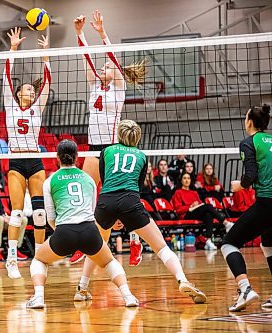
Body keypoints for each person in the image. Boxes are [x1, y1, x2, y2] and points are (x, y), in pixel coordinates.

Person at [93, 119, 207, 304]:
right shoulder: (142, 156)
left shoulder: (106, 151)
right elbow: (137, 188)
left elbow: (105, 181)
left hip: (107, 202)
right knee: (161, 248)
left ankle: (81, 288)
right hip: (131, 201)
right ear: (137, 137)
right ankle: (182, 280)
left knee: (97, 245)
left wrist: (116, 215)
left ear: (119, 134)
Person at [72, 10, 146, 273]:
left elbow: (111, 57)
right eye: (101, 68)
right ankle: (83, 242)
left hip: (114, 149)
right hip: (94, 148)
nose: (103, 68)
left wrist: (102, 33)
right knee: (86, 195)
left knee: (124, 198)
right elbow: (86, 59)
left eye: (107, 67)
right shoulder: (94, 86)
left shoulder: (119, 89)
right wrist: (80, 33)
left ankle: (135, 240)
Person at [26, 140, 138, 309]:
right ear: (77, 157)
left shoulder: (50, 181)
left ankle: (39, 298)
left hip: (64, 232)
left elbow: (50, 216)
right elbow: (92, 211)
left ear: (57, 158)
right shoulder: (89, 179)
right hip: (89, 230)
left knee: (39, 260)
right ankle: (128, 296)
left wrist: (62, 233)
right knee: (109, 262)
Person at [3, 27, 51, 279]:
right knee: (17, 211)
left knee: (40, 212)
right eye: (27, 90)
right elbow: (6, 76)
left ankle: (40, 256)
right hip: (16, 159)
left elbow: (48, 82)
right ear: (18, 93)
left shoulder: (37, 109)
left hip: (34, 159)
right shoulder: (10, 105)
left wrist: (45, 56)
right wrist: (13, 49)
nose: (31, 92)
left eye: (33, 90)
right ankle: (11, 258)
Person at [220, 104, 272, 311]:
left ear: (249, 121)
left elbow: (250, 176)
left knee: (228, 243)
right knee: (268, 243)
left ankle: (245, 289)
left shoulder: (249, 143)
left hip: (267, 202)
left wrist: (239, 186)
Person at [171, 172, 232, 250]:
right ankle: (225, 223)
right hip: (186, 214)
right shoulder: (178, 192)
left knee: (208, 213)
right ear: (181, 180)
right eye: (184, 178)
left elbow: (200, 205)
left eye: (188, 178)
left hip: (196, 213)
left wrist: (197, 206)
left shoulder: (194, 192)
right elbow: (178, 210)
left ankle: (208, 240)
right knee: (208, 206)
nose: (187, 180)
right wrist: (190, 206)